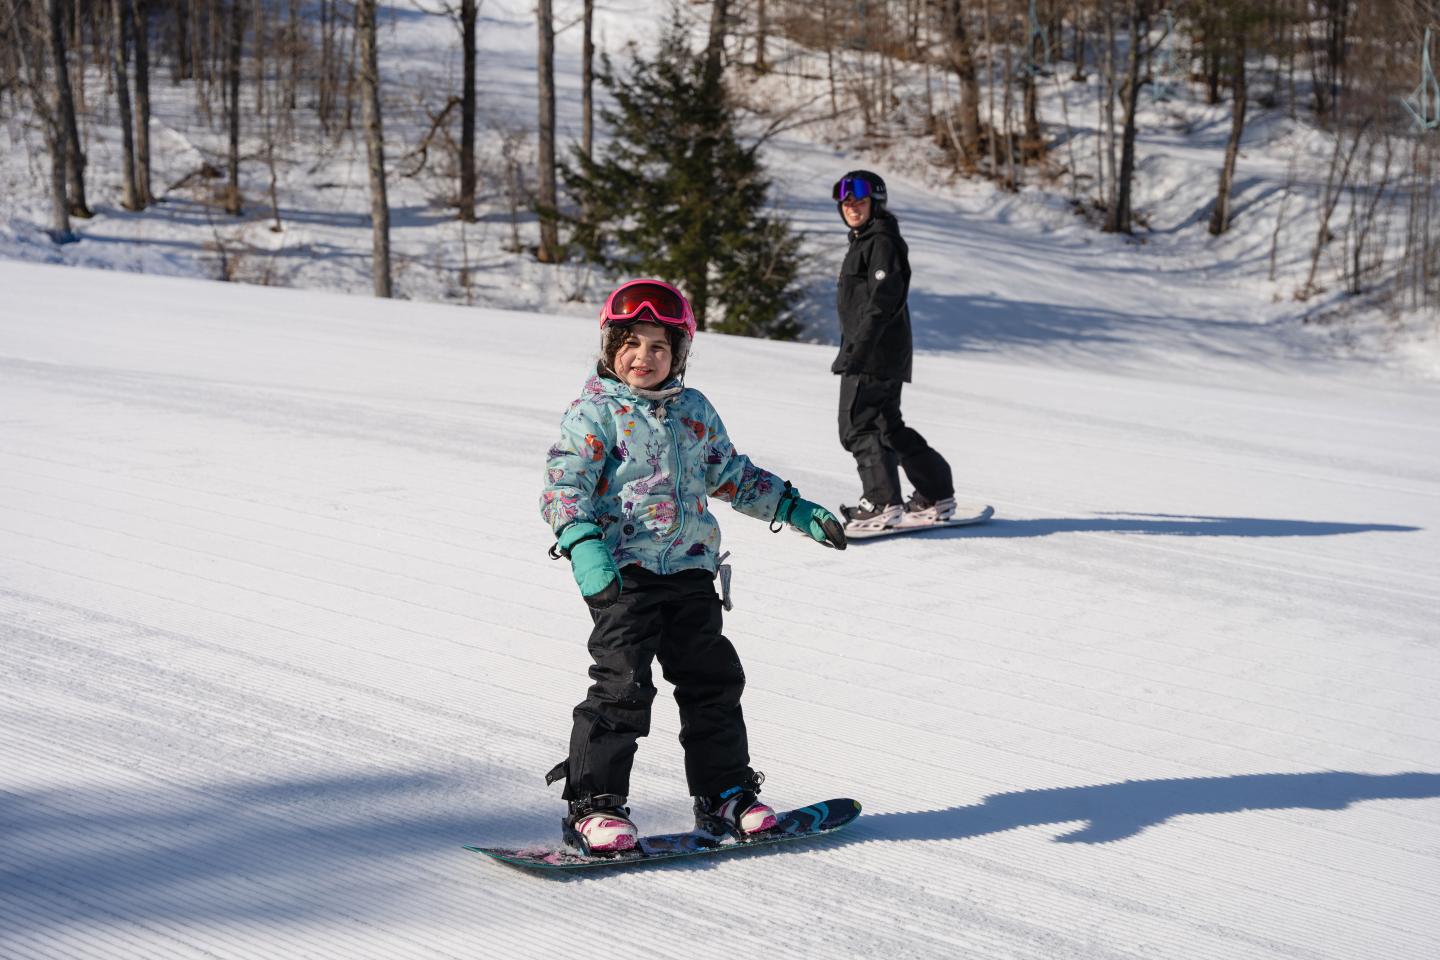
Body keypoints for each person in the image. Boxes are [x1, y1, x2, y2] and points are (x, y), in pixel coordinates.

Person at [540, 278, 847, 855]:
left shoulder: (694, 411)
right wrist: (583, 545)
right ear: (610, 347)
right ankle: (594, 806)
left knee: (713, 685)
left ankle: (726, 795)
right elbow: (564, 484)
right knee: (622, 688)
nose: (644, 358)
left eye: (659, 347)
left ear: (677, 354)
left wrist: (794, 508)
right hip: (621, 575)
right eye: (631, 343)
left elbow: (731, 473)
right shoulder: (594, 413)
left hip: (690, 570)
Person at [830, 169, 958, 534]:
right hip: (881, 352)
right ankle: (936, 493)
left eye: (860, 200)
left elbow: (882, 301)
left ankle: (882, 502)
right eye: (846, 201)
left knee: (858, 426)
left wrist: (859, 351)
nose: (851, 207)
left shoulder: (880, 241)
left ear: (876, 202)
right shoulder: (867, 240)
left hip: (872, 353)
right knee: (887, 427)